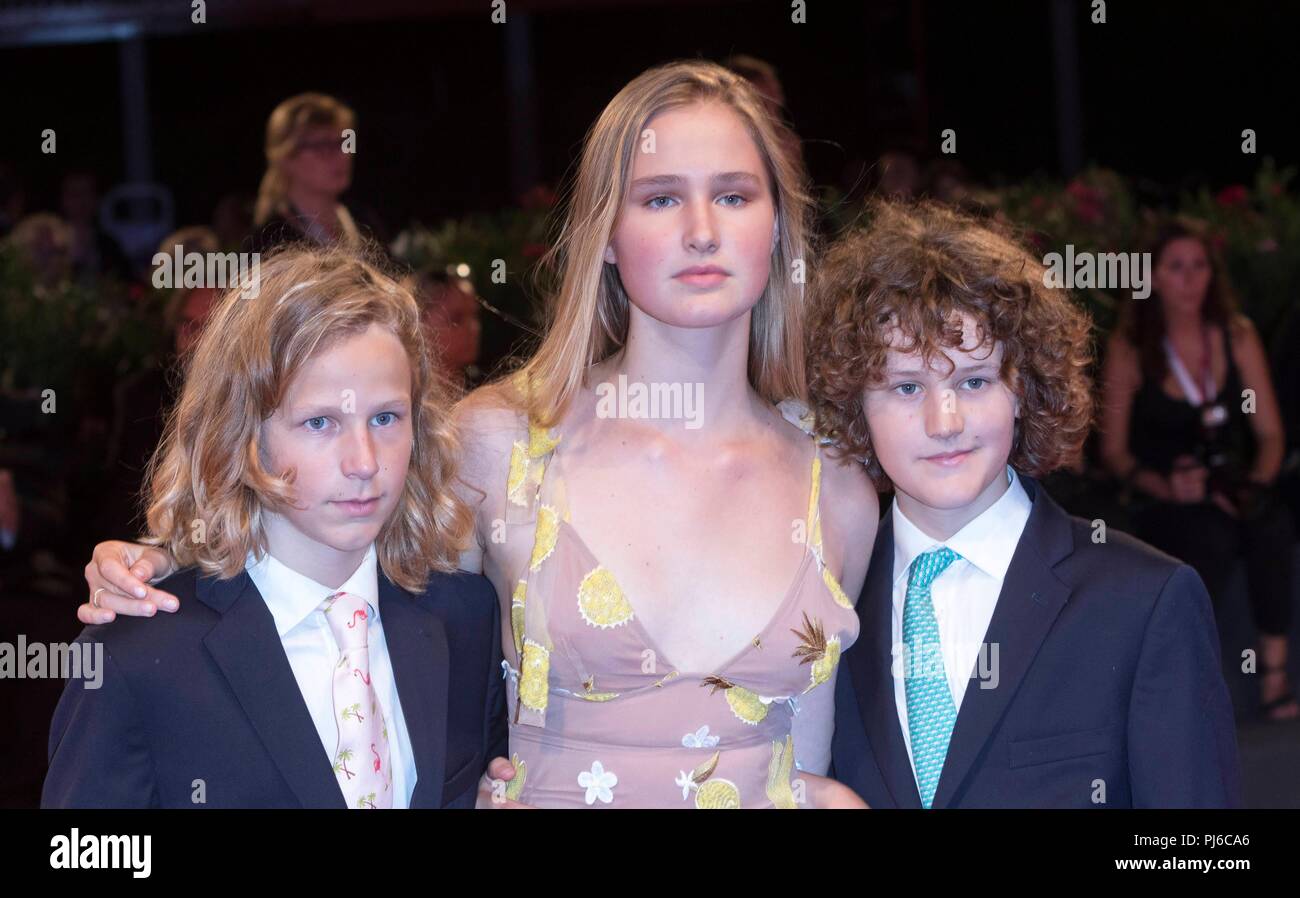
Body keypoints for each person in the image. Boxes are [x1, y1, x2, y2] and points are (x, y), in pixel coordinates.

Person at [76, 61, 876, 809]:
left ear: (778, 225)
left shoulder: (836, 483)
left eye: (735, 195)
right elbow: (317, 555)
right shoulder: (499, 445)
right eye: (661, 198)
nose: (703, 230)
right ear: (602, 232)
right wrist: (162, 559)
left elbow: (809, 764)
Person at [813, 201, 1240, 807]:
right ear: (853, 403)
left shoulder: (1145, 603)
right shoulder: (824, 605)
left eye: (975, 381)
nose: (944, 421)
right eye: (907, 387)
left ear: (1026, 390)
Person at [44, 245, 505, 808]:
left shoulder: (464, 617)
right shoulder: (139, 654)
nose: (364, 461)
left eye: (385, 417)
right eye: (319, 422)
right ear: (240, 434)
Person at [1100, 218, 1296, 721]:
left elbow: (1271, 434)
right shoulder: (1130, 347)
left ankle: (1274, 674)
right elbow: (1115, 454)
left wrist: (1255, 484)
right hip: (1166, 492)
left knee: (1270, 525)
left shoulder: (1236, 335)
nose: (1190, 279)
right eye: (1176, 267)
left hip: (1232, 480)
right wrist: (1163, 484)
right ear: (1152, 277)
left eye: (1200, 266)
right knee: (1205, 538)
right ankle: (1194, 686)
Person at [249, 93, 364, 254]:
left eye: (345, 143)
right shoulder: (270, 241)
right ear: (285, 156)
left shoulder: (364, 223)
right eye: (322, 145)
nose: (341, 155)